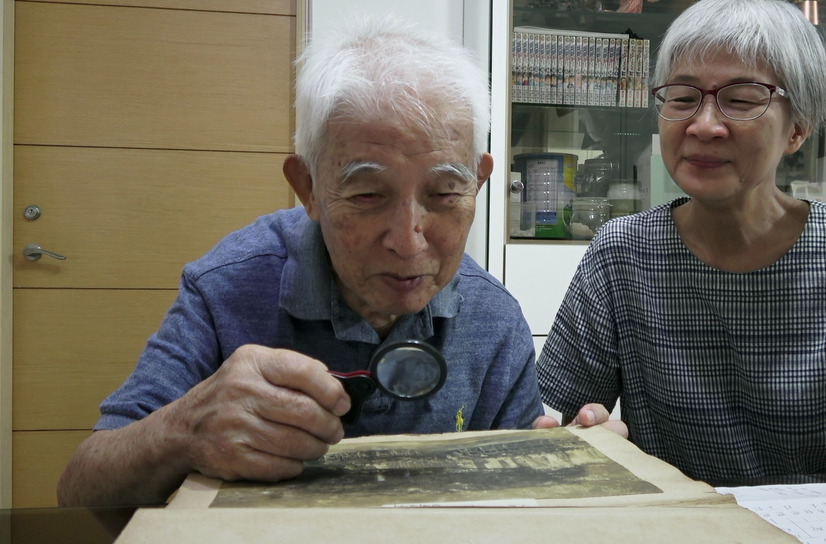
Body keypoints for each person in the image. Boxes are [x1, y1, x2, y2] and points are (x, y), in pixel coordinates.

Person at [57, 17, 620, 507]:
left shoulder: (493, 318)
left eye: (445, 194)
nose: (408, 240)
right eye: (368, 195)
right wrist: (183, 429)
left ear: (479, 182)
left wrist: (569, 462)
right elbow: (80, 488)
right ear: (307, 186)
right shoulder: (225, 287)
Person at [536, 0, 826, 487]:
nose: (703, 125)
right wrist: (585, 433)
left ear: (798, 127)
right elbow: (570, 426)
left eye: (740, 100)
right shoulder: (623, 253)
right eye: (682, 97)